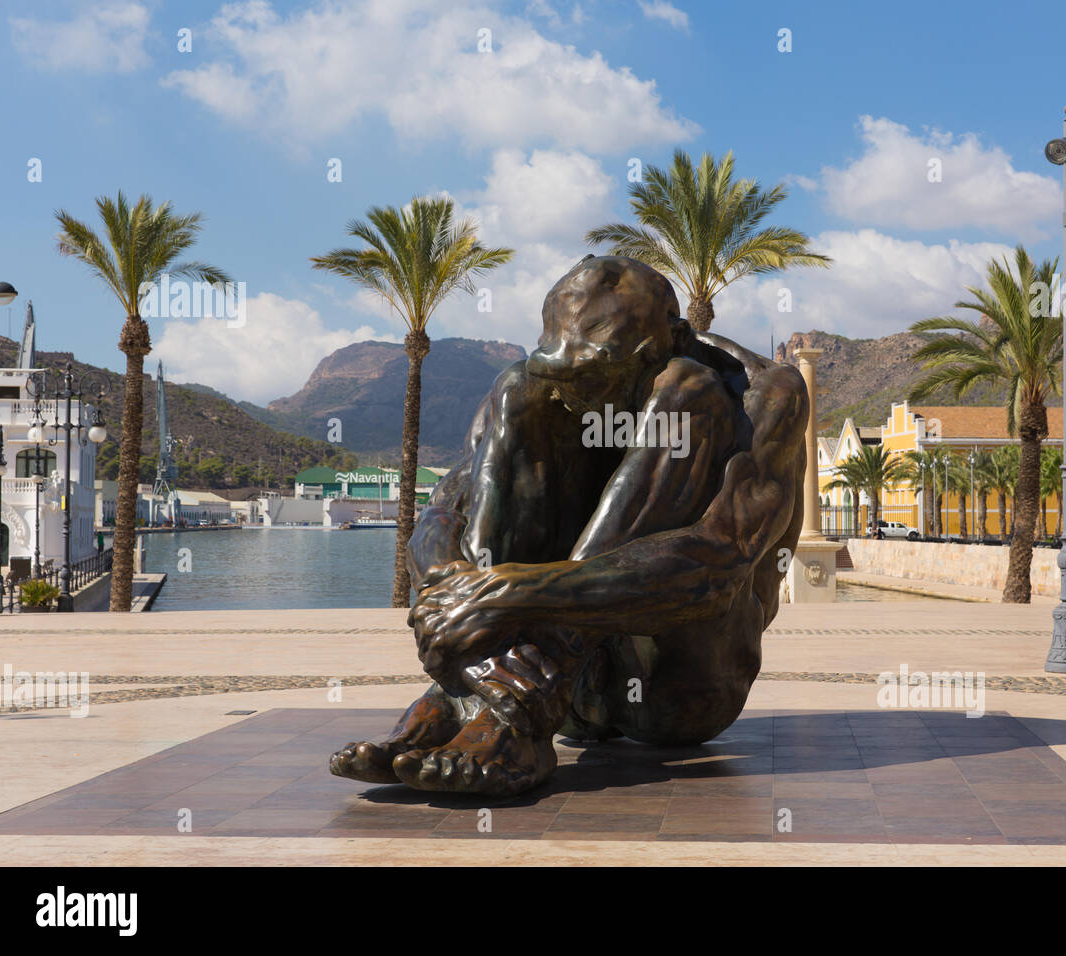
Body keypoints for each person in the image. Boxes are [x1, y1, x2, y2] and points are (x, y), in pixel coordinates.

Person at [330, 255, 806, 796]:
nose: (581, 391)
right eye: (565, 371)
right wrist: (453, 597)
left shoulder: (763, 394)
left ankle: (509, 718)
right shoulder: (534, 388)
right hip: (540, 686)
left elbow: (716, 564)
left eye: (600, 370)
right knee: (519, 392)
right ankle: (468, 702)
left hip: (677, 692)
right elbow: (441, 513)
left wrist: (502, 597)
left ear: (672, 337)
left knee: (686, 396)